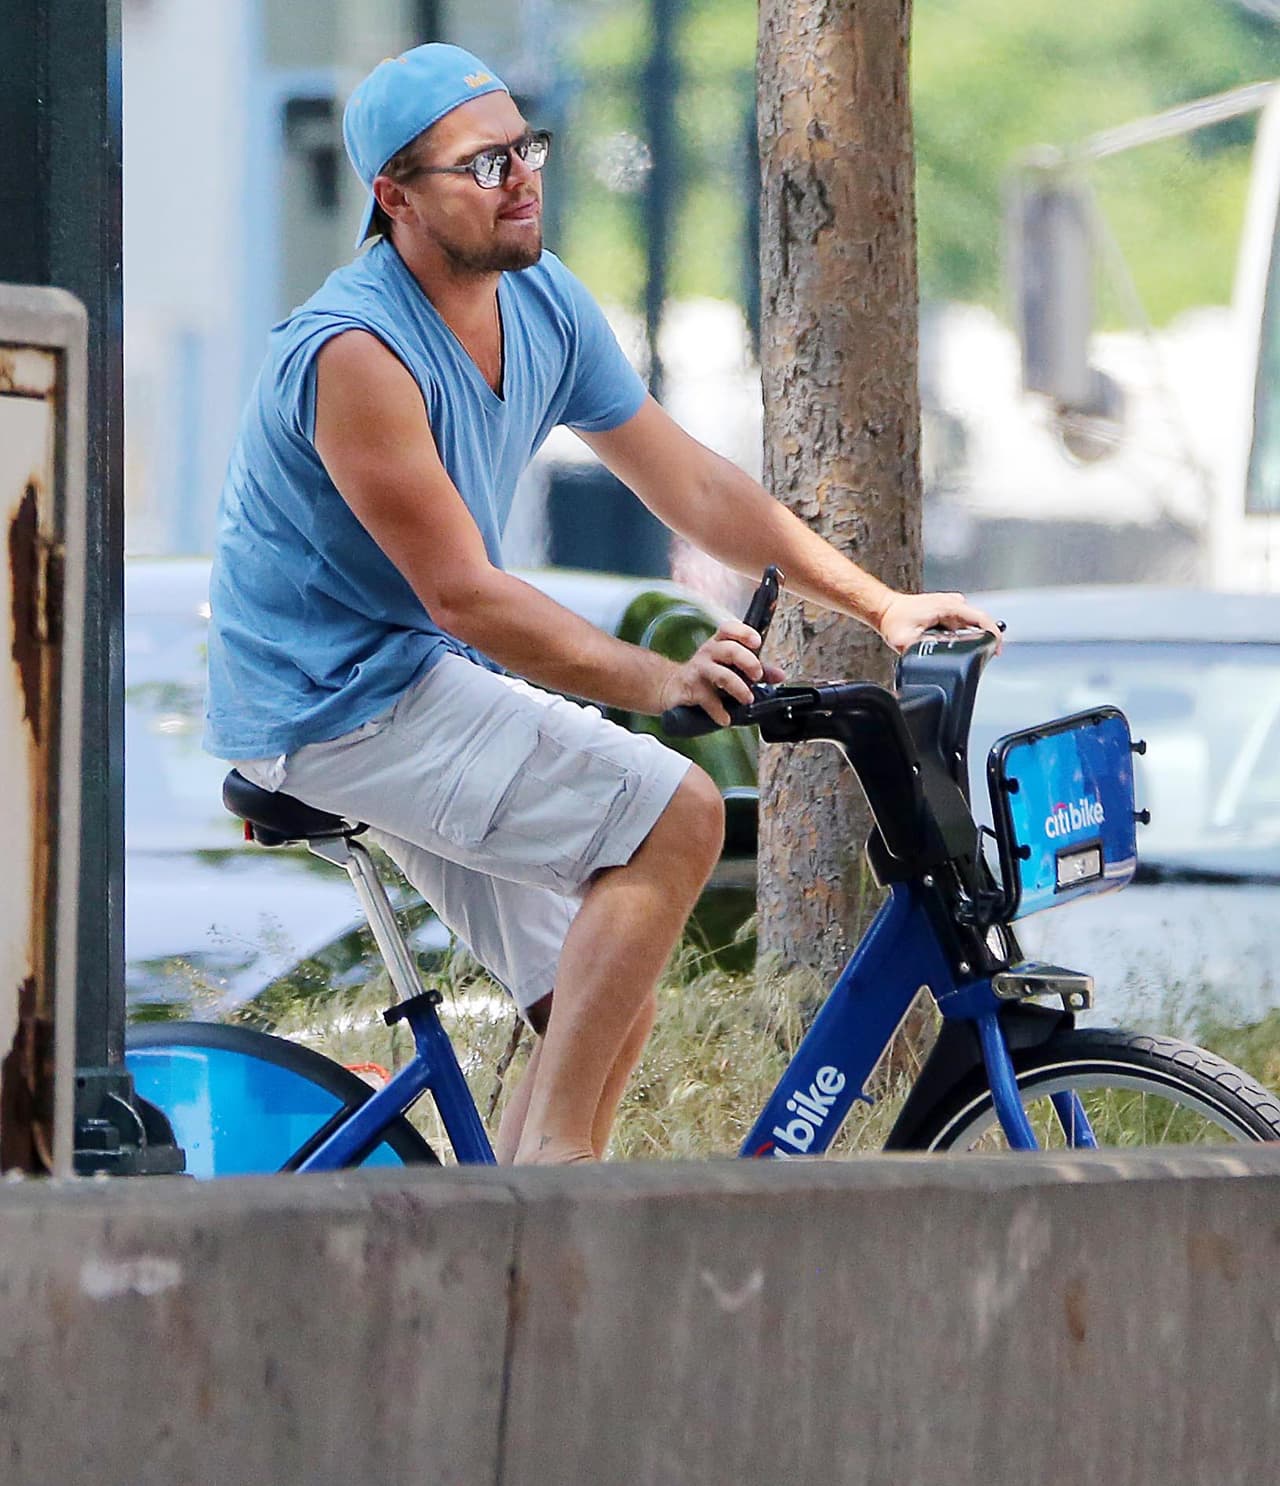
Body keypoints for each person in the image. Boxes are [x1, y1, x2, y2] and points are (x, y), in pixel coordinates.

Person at [204, 42, 998, 1165]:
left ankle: (506, 1240)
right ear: (395, 197)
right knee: (677, 815)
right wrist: (658, 679)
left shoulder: (540, 298)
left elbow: (694, 485)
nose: (521, 177)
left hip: (416, 673)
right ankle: (561, 1183)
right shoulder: (355, 355)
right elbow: (464, 593)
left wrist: (881, 604)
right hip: (336, 703)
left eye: (523, 148)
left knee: (598, 999)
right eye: (483, 165)